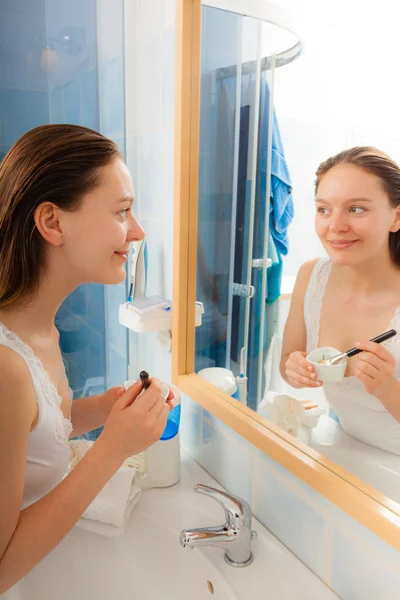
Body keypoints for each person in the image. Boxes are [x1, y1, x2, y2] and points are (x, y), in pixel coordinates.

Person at [0, 124, 173, 593]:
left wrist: (105, 408)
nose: (136, 231)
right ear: (53, 223)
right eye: (122, 211)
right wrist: (112, 447)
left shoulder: (37, 330)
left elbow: (33, 432)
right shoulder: (6, 367)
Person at [280, 147, 400, 455]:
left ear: (396, 216)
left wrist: (388, 389)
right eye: (324, 209)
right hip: (349, 449)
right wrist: (294, 369)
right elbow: (287, 363)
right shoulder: (311, 276)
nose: (335, 226)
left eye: (356, 209)